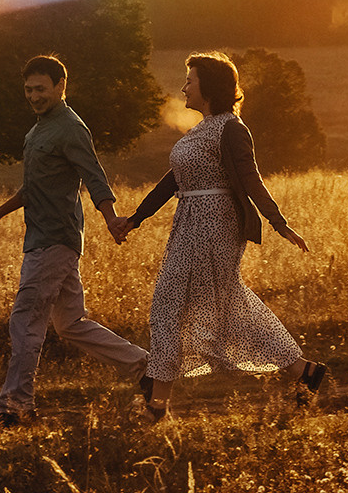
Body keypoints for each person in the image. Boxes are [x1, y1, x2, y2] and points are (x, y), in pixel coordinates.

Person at [110, 51, 326, 423]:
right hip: (188, 224)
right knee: (221, 305)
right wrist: (137, 218)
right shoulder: (198, 131)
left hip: (217, 226)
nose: (183, 87)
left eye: (190, 81)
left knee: (169, 306)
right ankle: (303, 371)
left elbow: (250, 178)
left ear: (208, 87)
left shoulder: (232, 128)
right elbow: (172, 180)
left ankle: (156, 406)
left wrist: (279, 223)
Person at [0, 54, 148, 425]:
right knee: (70, 324)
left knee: (25, 321)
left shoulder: (70, 127)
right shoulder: (37, 131)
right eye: (28, 89)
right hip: (45, 238)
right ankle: (145, 367)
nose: (34, 96)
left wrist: (111, 217)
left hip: (54, 241)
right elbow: (32, 187)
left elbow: (94, 175)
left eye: (41, 88)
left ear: (60, 86)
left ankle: (14, 406)